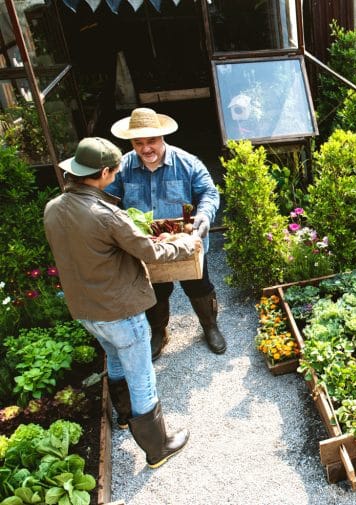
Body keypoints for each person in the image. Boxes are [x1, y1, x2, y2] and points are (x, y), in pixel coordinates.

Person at [44, 137, 199, 468]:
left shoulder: (53, 208)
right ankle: (158, 448)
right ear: (102, 172)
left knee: (114, 359)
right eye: (114, 171)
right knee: (141, 375)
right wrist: (185, 245)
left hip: (86, 311)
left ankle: (125, 416)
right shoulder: (105, 214)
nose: (116, 175)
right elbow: (150, 250)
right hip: (120, 312)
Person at [106, 107, 226, 358]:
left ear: (162, 138)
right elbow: (108, 199)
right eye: (139, 143)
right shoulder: (123, 167)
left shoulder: (186, 162)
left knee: (198, 286)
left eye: (151, 141)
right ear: (131, 142)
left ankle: (210, 325)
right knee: (153, 292)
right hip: (145, 243)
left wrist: (203, 217)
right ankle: (159, 332)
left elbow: (209, 193)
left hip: (184, 240)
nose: (146, 148)